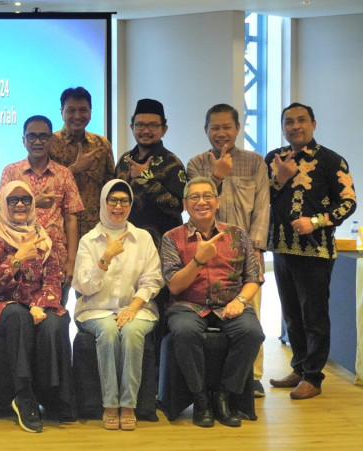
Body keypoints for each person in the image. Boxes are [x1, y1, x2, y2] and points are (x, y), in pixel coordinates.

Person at [266, 103, 356, 400]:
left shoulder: (332, 161)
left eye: (301, 120)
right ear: (283, 127)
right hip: (281, 248)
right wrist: (279, 177)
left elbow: (348, 202)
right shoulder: (273, 159)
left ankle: (314, 377)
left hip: (315, 251)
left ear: (313, 124)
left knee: (313, 316)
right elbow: (262, 196)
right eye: (289, 122)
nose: (295, 126)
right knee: (291, 314)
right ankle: (300, 366)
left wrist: (316, 221)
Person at [160, 177, 265, 428]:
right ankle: (200, 397)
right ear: (185, 204)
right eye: (194, 197)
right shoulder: (172, 237)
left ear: (217, 202)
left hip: (230, 303)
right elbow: (174, 285)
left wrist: (240, 300)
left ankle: (224, 395)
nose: (201, 201)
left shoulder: (237, 234)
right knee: (184, 331)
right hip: (188, 305)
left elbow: (254, 278)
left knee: (252, 333)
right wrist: (198, 260)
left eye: (207, 196)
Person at [186, 103, 270, 397]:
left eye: (227, 127)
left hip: (246, 250)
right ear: (206, 130)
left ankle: (254, 375)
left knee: (251, 312)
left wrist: (257, 248)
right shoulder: (196, 164)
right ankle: (216, 375)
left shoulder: (255, 162)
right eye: (215, 128)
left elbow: (261, 208)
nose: (221, 133)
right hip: (209, 247)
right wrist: (217, 176)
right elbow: (197, 207)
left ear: (237, 128)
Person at [0, 181, 73, 433]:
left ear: (32, 204)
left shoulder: (45, 239)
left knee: (55, 323)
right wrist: (18, 259)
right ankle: (24, 394)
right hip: (0, 307)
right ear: (4, 205)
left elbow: (52, 279)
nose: (20, 204)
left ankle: (53, 397)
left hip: (37, 306)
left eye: (25, 200)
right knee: (18, 316)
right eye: (13, 200)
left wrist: (39, 305)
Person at [73, 179, 162, 431]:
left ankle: (129, 405)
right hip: (95, 309)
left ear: (131, 204)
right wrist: (106, 256)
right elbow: (84, 286)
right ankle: (110, 404)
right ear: (104, 202)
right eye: (113, 200)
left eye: (124, 201)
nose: (118, 206)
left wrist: (133, 307)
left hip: (136, 308)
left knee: (133, 332)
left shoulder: (142, 238)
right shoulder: (89, 240)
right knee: (109, 332)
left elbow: (152, 279)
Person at [0, 115, 84, 304]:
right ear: (23, 140)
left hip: (56, 259)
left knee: (53, 318)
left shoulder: (63, 174)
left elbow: (71, 218)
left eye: (43, 137)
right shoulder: (11, 171)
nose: (37, 142)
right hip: (18, 256)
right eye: (32, 137)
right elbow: (3, 213)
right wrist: (35, 203)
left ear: (51, 141)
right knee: (23, 319)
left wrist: (71, 260)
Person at [115, 98, 186, 246]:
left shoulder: (172, 163)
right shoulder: (124, 160)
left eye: (153, 126)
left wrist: (146, 178)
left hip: (161, 244)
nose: (146, 131)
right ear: (132, 127)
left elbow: (177, 207)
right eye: (140, 125)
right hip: (125, 242)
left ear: (164, 129)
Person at [49, 86, 116, 241]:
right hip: (59, 228)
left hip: (96, 229)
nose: (77, 116)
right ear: (62, 112)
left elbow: (110, 186)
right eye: (71, 110)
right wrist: (73, 170)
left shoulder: (102, 145)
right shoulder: (50, 143)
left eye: (83, 110)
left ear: (91, 112)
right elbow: (44, 185)